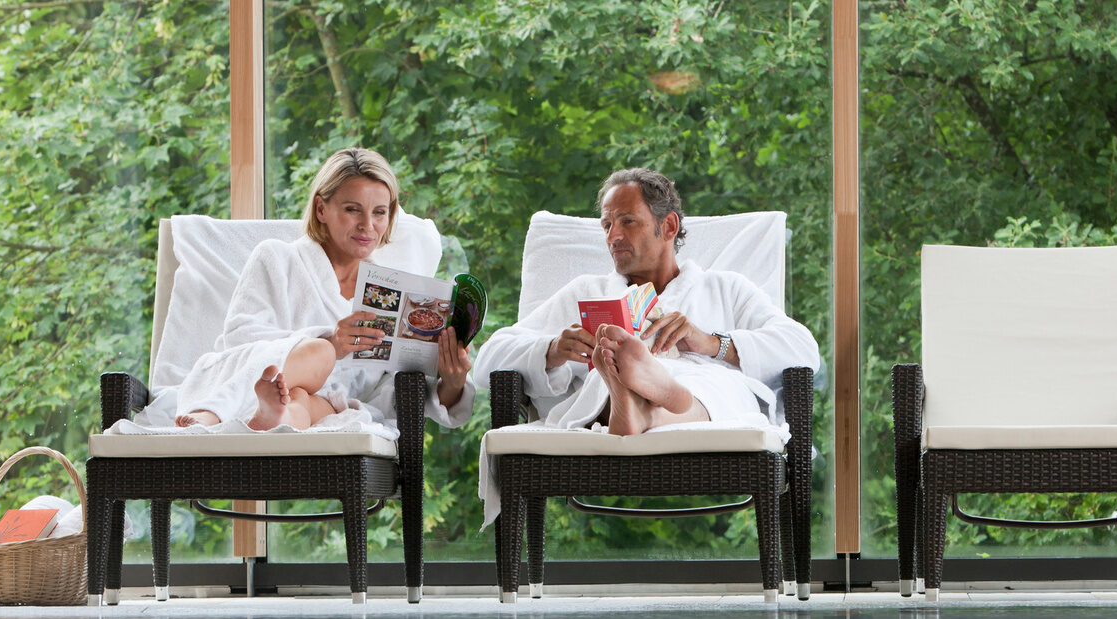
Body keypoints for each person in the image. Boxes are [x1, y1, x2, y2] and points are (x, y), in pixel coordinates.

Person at [475, 168, 819, 435]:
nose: (613, 236)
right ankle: (633, 388)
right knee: (608, 369)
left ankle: (645, 398)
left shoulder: (724, 288)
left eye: (627, 221)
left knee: (715, 382)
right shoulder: (588, 292)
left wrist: (713, 343)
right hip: (611, 398)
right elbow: (487, 360)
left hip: (703, 397)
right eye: (607, 224)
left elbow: (803, 348)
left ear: (668, 226)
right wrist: (551, 349)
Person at [172, 147, 473, 431]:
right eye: (353, 210)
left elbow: (393, 391)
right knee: (321, 351)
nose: (367, 225)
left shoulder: (389, 292)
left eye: (379, 213)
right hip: (249, 379)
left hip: (323, 405)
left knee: (302, 402)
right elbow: (239, 336)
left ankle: (272, 418)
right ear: (321, 208)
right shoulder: (278, 258)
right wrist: (331, 343)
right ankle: (213, 415)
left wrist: (452, 382)